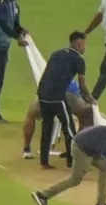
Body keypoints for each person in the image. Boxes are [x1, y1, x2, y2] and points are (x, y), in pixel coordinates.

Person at [35, 32, 95, 170]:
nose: (84, 48)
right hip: (56, 96)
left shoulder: (56, 54)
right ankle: (72, 161)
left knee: (47, 127)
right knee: (69, 129)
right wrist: (90, 99)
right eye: (83, 45)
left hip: (42, 94)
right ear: (78, 44)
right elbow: (82, 84)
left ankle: (44, 161)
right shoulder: (78, 60)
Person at [22, 78, 94, 160]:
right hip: (70, 94)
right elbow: (82, 88)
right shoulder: (73, 76)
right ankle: (77, 149)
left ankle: (26, 149)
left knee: (31, 114)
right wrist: (90, 99)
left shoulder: (52, 72)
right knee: (87, 115)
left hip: (48, 93)